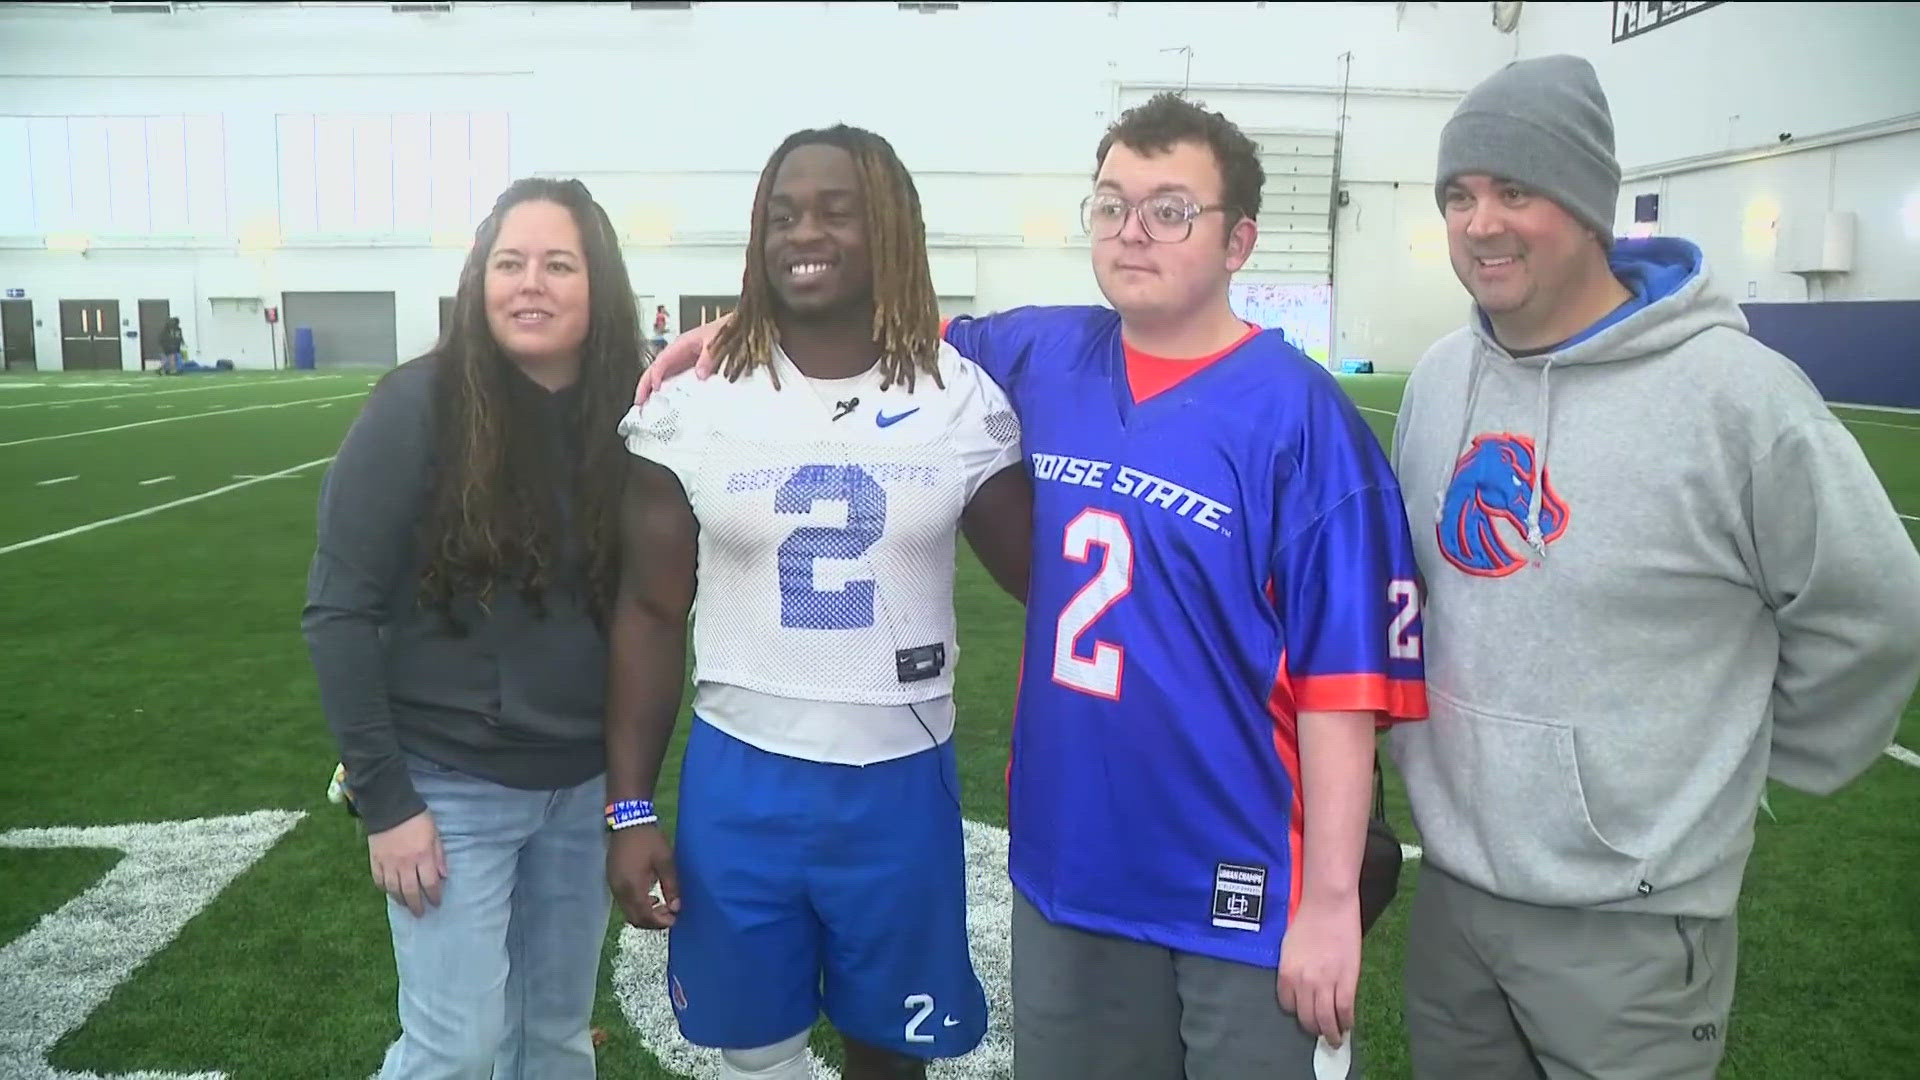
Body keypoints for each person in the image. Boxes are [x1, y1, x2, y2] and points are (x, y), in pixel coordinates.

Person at [641, 93, 1428, 1080]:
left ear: (1240, 242)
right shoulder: (1043, 356)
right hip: (1068, 866)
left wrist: (1325, 905)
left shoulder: (1304, 421)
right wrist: (732, 335)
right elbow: (866, 328)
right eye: (1112, 204)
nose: (1133, 230)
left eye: (1171, 208)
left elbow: (1342, 685)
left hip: (1240, 872)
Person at [1389, 54, 1920, 1080]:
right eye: (1459, 195)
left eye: (1516, 190)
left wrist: (1726, 769)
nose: (1480, 222)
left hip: (1629, 925)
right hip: (1456, 893)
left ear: (1588, 206)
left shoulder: (1740, 398)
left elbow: (1880, 609)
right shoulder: (1447, 374)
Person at [604, 125, 1031, 1080]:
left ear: (889, 231)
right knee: (753, 1049)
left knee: (893, 1053)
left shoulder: (960, 398)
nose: (807, 232)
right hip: (741, 777)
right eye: (783, 214)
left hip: (898, 780)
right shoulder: (695, 404)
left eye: (837, 211)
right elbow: (646, 612)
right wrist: (629, 807)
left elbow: (1045, 578)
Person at [303, 177, 644, 1080]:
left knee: (555, 1040)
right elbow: (338, 612)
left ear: (597, 286)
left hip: (581, 788)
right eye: (510, 262)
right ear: (478, 279)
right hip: (451, 792)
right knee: (453, 1050)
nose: (530, 284)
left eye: (559, 264)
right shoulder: (415, 407)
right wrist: (388, 801)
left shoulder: (636, 419)